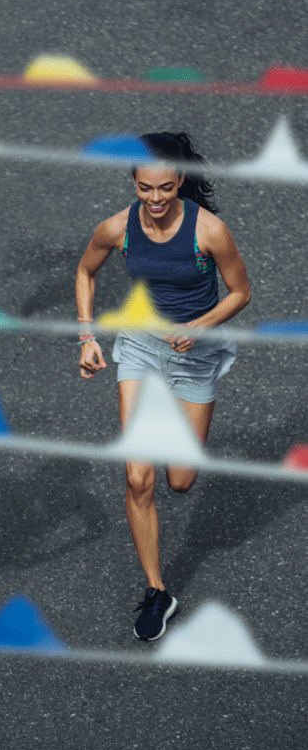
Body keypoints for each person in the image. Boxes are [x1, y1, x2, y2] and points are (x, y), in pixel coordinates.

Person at [75, 131, 250, 641]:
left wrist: (200, 326)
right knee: (138, 478)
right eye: (145, 188)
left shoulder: (210, 232)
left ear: (181, 184)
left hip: (196, 355)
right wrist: (87, 337)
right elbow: (85, 273)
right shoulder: (116, 228)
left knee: (180, 480)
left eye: (167, 189)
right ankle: (157, 590)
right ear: (133, 180)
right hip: (141, 347)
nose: (154, 200)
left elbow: (241, 292)